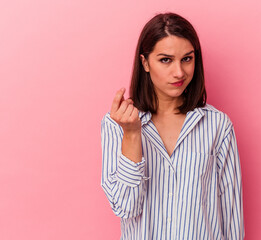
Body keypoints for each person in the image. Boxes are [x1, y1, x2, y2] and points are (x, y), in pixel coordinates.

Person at [101, 12, 245, 239]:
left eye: (187, 59)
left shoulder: (217, 125)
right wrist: (131, 134)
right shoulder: (116, 124)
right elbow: (125, 207)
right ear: (145, 62)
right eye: (165, 60)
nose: (179, 72)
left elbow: (231, 214)